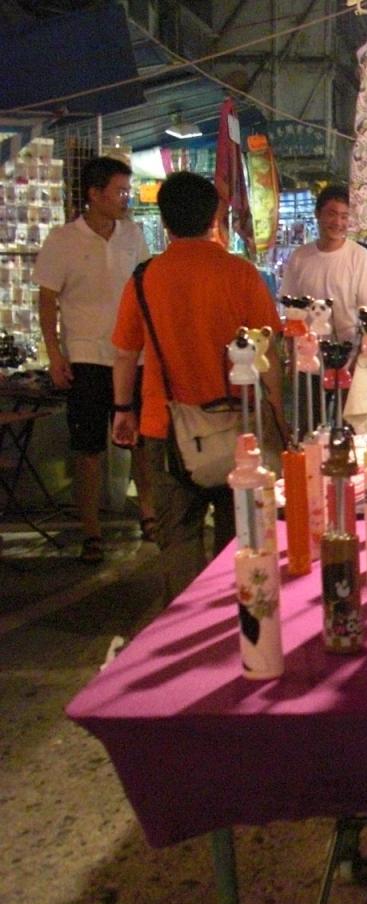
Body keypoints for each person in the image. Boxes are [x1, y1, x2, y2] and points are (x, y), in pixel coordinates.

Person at [111, 172, 281, 601]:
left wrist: (122, 410)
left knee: (180, 539)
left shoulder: (144, 278)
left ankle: (183, 619)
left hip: (165, 427)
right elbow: (270, 357)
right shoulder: (241, 274)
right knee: (238, 538)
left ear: (164, 221)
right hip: (239, 426)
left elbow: (125, 354)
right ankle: (235, 619)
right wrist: (278, 418)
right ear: (215, 217)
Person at [35, 155, 156, 564]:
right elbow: (47, 300)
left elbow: (144, 286)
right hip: (86, 355)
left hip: (133, 355)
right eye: (120, 191)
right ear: (94, 194)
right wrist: (55, 353)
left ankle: (149, 514)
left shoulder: (132, 234)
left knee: (140, 441)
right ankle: (91, 532)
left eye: (127, 191)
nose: (126, 198)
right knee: (88, 448)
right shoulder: (63, 240)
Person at [280, 184, 367, 429]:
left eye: (344, 216)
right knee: (309, 428)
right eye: (332, 214)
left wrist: (360, 358)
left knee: (348, 429)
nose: (338, 222)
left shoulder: (359, 257)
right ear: (318, 214)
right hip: (309, 360)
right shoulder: (300, 257)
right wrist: (291, 356)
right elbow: (291, 310)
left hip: (349, 360)